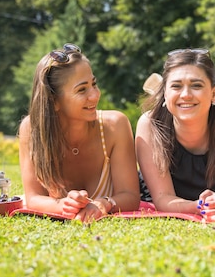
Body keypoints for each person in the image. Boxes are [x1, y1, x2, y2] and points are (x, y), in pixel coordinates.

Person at [18, 43, 139, 221]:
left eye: (94, 84)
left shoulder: (115, 126)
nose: (95, 95)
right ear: (54, 101)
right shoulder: (31, 128)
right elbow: (33, 198)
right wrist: (63, 205)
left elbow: (130, 196)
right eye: (82, 90)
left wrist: (104, 204)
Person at [135, 48, 215, 221]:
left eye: (196, 85)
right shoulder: (150, 125)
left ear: (213, 94)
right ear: (165, 94)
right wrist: (199, 207)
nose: (186, 95)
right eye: (176, 86)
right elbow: (163, 199)